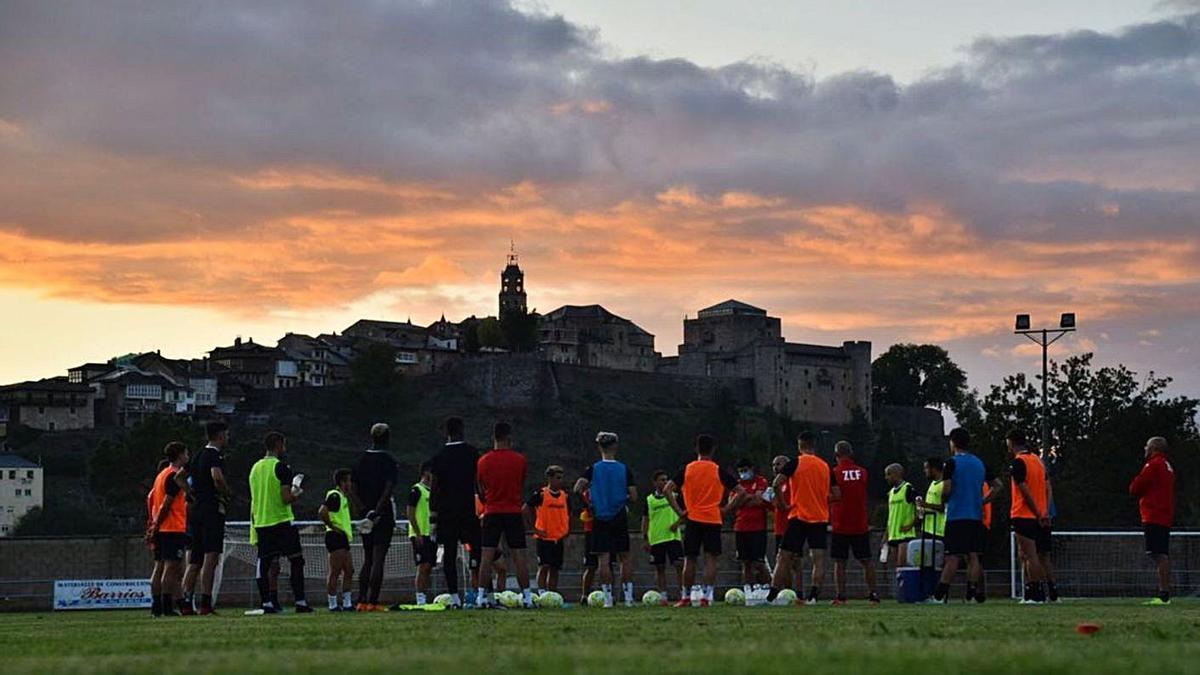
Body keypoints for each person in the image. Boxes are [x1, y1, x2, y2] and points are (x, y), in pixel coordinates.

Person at [929, 428, 1001, 604]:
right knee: (973, 555)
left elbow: (946, 488)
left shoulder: (951, 463)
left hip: (956, 515)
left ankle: (939, 594)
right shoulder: (979, 463)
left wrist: (945, 499)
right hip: (975, 515)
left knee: (953, 555)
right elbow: (998, 486)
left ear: (952, 443)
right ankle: (972, 592)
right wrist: (983, 501)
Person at [668, 433, 741, 607]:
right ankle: (706, 597)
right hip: (713, 519)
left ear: (696, 449)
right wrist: (726, 509)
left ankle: (686, 596)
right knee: (711, 559)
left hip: (692, 517)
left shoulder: (688, 469)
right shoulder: (717, 470)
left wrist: (680, 511)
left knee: (690, 558)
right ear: (713, 449)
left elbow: (667, 489)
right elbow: (741, 491)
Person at [769, 431, 837, 605]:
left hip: (798, 515)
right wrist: (821, 498)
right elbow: (837, 494)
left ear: (800, 446)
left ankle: (772, 595)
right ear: (815, 445)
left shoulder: (796, 463)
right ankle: (813, 596)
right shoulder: (825, 466)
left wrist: (783, 504)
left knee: (783, 556)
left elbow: (776, 483)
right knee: (818, 558)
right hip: (820, 517)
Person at [248, 431, 311, 613]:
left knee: (264, 563)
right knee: (296, 560)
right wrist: (297, 493)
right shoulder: (281, 467)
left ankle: (266, 602)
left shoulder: (255, 468)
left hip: (261, 522)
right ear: (278, 445)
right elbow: (285, 498)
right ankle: (300, 602)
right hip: (282, 521)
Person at [574, 431, 637, 607]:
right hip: (618, 515)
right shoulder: (624, 469)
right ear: (615, 446)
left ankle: (607, 598)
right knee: (624, 556)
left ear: (599, 447)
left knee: (603, 559)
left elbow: (578, 488)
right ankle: (628, 597)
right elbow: (633, 496)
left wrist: (589, 504)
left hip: (600, 516)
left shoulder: (593, 469)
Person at [476, 421, 533, 608]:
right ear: (509, 438)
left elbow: (481, 488)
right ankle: (527, 597)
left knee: (486, 557)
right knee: (519, 557)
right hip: (513, 511)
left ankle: (481, 597)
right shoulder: (520, 460)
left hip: (492, 511)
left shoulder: (483, 461)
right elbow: (521, 483)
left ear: (493, 438)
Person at [429, 416, 482, 608]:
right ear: (462, 430)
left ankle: (454, 597)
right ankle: (484, 594)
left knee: (449, 555)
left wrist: (433, 513)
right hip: (467, 509)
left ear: (447, 432)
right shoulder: (472, 453)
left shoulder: (439, 456)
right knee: (478, 551)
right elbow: (478, 482)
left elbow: (434, 488)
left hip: (447, 512)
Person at [183, 420, 232, 615]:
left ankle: (186, 602)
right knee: (211, 557)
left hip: (196, 510)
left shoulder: (197, 455)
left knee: (194, 559)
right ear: (220, 435)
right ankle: (205, 602)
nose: (227, 438)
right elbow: (217, 476)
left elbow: (180, 477)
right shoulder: (214, 455)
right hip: (211, 509)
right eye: (226, 434)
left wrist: (191, 493)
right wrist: (226, 493)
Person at [351, 423, 398, 612]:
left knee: (368, 557)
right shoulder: (388, 460)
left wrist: (363, 510)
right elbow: (388, 488)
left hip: (365, 515)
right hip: (382, 515)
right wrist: (377, 511)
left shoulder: (360, 460)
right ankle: (373, 601)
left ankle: (361, 600)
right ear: (387, 438)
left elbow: (352, 490)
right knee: (379, 558)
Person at [829, 441, 878, 605]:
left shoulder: (834, 473)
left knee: (840, 562)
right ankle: (873, 595)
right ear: (851, 454)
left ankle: (841, 596)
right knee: (867, 561)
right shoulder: (862, 472)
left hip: (840, 523)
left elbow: (833, 494)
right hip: (860, 523)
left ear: (836, 456)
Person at [1006, 428, 1051, 604]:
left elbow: (1024, 490)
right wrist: (1044, 511)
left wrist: (1038, 511)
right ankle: (1032, 593)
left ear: (1011, 442)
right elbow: (1047, 487)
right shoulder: (1038, 461)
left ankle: (1036, 592)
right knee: (1031, 555)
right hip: (1039, 514)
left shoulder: (1019, 462)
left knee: (1029, 555)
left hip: (1024, 513)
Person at [1130, 436, 1175, 605]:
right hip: (1163, 514)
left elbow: (1136, 487)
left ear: (1154, 448)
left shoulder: (1154, 464)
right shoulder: (1167, 466)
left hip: (1154, 514)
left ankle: (1164, 594)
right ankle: (1164, 593)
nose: (1145, 449)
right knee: (1160, 553)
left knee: (1159, 554)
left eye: (1147, 446)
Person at [146, 442, 190, 617]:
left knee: (159, 567)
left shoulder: (160, 475)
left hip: (161, 529)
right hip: (172, 527)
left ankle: (156, 606)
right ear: (180, 455)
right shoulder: (173, 476)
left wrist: (154, 526)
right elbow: (166, 504)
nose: (187, 457)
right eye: (186, 454)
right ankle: (166, 606)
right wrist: (157, 524)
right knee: (170, 568)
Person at [728, 458, 771, 598]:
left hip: (758, 527)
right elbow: (732, 504)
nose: (743, 474)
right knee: (745, 562)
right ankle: (749, 591)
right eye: (740, 471)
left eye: (745, 470)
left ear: (751, 469)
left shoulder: (761, 481)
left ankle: (768, 588)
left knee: (758, 562)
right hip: (741, 527)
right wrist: (748, 498)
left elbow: (759, 499)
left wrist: (742, 498)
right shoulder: (737, 484)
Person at [525, 465, 569, 594]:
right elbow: (526, 509)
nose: (560, 481)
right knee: (544, 566)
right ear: (550, 478)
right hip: (544, 537)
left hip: (558, 537)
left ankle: (553, 593)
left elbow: (567, 514)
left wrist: (566, 530)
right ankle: (541, 592)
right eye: (557, 478)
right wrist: (535, 529)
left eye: (561, 478)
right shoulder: (541, 494)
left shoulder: (564, 496)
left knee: (555, 568)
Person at [641, 470, 684, 602]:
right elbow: (645, 519)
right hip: (657, 538)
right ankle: (663, 596)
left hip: (673, 537)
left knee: (679, 565)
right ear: (655, 482)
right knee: (659, 568)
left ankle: (683, 593)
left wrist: (677, 523)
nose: (665, 482)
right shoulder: (649, 499)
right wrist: (645, 538)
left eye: (666, 479)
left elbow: (685, 513)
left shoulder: (675, 496)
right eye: (662, 480)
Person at [318, 468, 354, 611]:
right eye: (348, 481)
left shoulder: (343, 497)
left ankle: (347, 603)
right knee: (335, 571)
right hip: (335, 537)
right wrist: (332, 526)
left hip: (343, 537)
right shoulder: (334, 495)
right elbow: (322, 511)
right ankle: (332, 603)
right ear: (342, 482)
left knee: (349, 570)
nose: (350, 484)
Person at [406, 461, 436, 606]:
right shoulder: (416, 490)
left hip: (430, 533)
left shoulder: (432, 491)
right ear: (425, 472)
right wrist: (417, 533)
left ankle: (424, 595)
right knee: (423, 565)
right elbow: (410, 512)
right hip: (420, 533)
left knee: (429, 565)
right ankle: (420, 599)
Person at [770, 455, 800, 590]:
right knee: (782, 561)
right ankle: (786, 590)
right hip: (779, 527)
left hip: (791, 526)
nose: (776, 467)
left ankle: (798, 592)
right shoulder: (775, 485)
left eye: (779, 464)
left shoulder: (791, 482)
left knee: (795, 562)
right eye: (774, 465)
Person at [884, 463, 918, 568]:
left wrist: (911, 524)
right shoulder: (891, 493)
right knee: (897, 568)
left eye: (888, 474)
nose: (886, 478)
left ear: (897, 474)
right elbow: (891, 515)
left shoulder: (908, 489)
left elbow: (921, 508)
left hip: (905, 535)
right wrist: (886, 534)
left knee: (902, 566)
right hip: (893, 535)